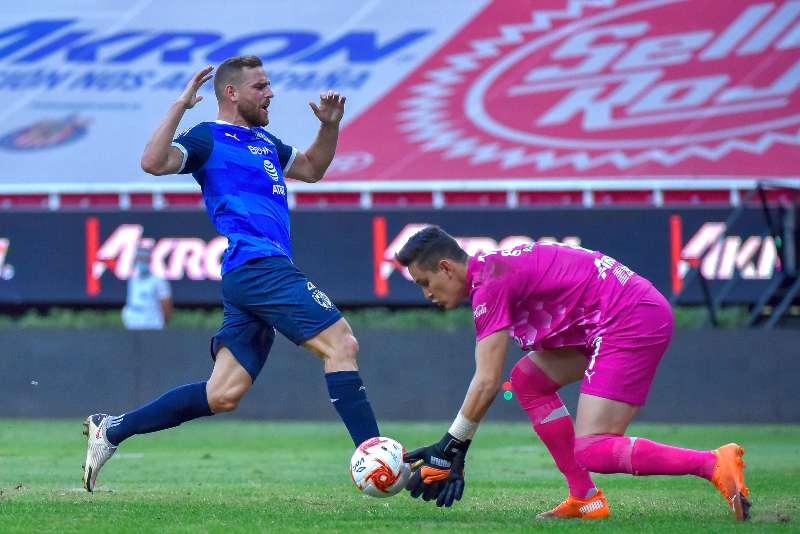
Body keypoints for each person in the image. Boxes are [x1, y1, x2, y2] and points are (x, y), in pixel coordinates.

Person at [82, 56, 380, 492]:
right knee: (342, 343)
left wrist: (330, 125)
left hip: (250, 275)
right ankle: (375, 456)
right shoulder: (207, 138)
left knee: (222, 394)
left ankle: (111, 429)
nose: (270, 93)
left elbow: (313, 169)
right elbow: (153, 161)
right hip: (260, 266)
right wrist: (181, 105)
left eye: (269, 85)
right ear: (232, 93)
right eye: (261, 86)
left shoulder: (266, 143)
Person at [397, 226, 750, 521]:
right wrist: (458, 447)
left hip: (628, 319)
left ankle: (711, 464)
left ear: (445, 267)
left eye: (424, 281)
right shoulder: (491, 272)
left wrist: (450, 443)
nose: (426, 293)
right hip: (615, 316)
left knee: (594, 450)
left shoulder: (489, 285)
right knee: (527, 382)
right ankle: (584, 497)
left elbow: (488, 380)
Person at [121, 247, 172, 330]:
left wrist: (164, 322)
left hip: (152, 322)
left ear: (149, 261)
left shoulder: (159, 281)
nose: (141, 262)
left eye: (144, 259)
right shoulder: (132, 280)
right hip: (133, 322)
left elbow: (166, 305)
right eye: (139, 259)